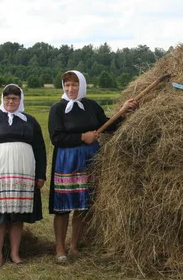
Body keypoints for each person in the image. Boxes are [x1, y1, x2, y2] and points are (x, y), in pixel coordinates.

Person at [48, 70, 137, 262]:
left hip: (89, 159)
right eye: (67, 85)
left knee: (83, 204)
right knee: (63, 207)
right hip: (67, 160)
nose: (70, 89)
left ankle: (74, 246)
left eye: (74, 84)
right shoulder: (58, 108)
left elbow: (109, 126)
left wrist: (124, 111)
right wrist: (82, 137)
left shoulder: (91, 106)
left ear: (82, 85)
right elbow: (56, 137)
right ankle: (60, 249)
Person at [0, 84, 47, 268]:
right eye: (7, 98)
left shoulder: (30, 121)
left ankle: (15, 253)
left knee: (17, 214)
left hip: (23, 174)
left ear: (20, 100)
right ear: (2, 99)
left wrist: (40, 175)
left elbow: (40, 149)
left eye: (14, 98)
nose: (10, 101)